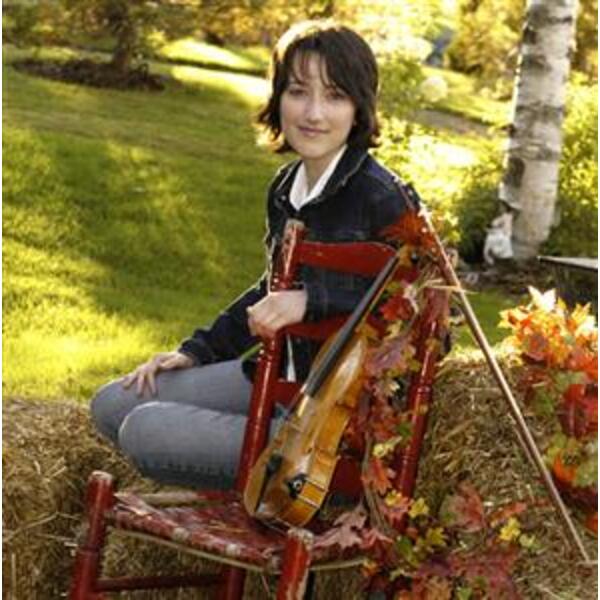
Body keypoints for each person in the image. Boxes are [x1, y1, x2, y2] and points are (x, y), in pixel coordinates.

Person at [91, 20, 419, 490]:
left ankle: (285, 486)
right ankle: (242, 471)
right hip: (274, 375)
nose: (313, 113)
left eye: (334, 96)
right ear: (278, 96)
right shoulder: (287, 187)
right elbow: (271, 291)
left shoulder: (382, 197)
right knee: (112, 404)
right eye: (298, 91)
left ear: (359, 107)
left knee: (145, 430)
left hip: (328, 425)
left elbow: (420, 305)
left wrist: (314, 299)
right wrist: (197, 352)